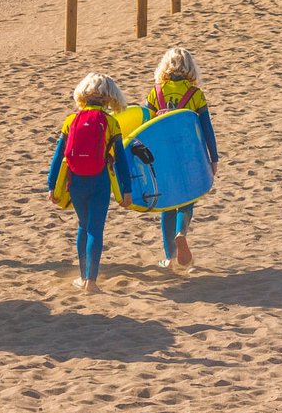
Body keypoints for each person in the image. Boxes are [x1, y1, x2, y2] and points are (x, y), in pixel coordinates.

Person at [47, 73, 134, 294]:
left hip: (75, 181)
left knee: (83, 225)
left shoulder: (70, 121)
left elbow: (58, 157)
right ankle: (91, 282)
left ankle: (82, 276)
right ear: (109, 98)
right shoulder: (110, 122)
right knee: (96, 228)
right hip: (100, 181)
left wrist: (51, 186)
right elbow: (121, 159)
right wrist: (127, 189)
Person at [145, 47, 220, 271]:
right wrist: (213, 158)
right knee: (187, 199)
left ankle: (169, 258)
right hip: (189, 155)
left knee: (167, 204)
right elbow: (207, 128)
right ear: (190, 68)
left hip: (162, 156)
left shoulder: (155, 92)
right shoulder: (195, 94)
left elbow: (146, 128)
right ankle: (181, 232)